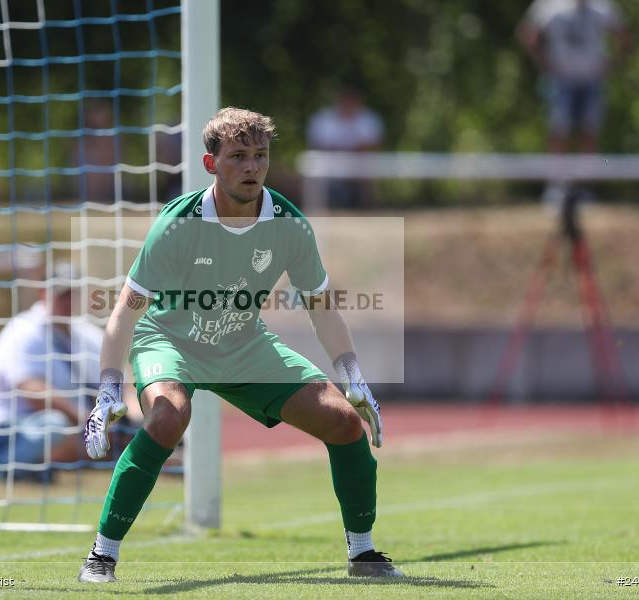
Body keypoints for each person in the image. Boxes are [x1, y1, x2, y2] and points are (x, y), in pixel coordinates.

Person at [79, 107, 401, 583]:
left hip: (242, 341)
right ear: (212, 165)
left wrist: (353, 374)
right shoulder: (177, 223)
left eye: (260, 156)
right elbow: (126, 312)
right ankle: (101, 555)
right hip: (169, 339)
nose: (252, 167)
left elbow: (321, 307)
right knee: (168, 417)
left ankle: (363, 553)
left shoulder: (288, 224)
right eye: (238, 157)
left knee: (344, 422)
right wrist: (108, 391)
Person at [0, 262, 104, 473]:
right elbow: (32, 391)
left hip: (76, 428)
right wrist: (88, 420)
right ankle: (0, 468)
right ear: (44, 293)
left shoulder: (85, 333)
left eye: (73, 293)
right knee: (55, 425)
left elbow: (115, 381)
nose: (68, 301)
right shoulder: (24, 330)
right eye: (62, 294)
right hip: (10, 430)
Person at [517, 0, 630, 154]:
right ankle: (558, 177)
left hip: (592, 78)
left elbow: (623, 34)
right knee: (558, 130)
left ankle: (587, 176)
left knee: (590, 131)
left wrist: (614, 63)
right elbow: (527, 33)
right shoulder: (549, 5)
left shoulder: (602, 6)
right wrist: (542, 62)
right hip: (561, 79)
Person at [306, 87, 384, 209]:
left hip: (360, 161)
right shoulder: (324, 118)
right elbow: (319, 144)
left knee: (368, 168)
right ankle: (322, 206)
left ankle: (367, 207)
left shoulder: (368, 118)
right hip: (331, 160)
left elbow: (373, 144)